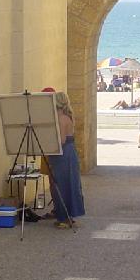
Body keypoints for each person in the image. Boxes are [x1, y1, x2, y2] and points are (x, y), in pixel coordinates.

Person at [46, 91, 85, 228]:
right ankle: (68, 215)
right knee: (68, 184)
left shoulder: (61, 119)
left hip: (63, 154)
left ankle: (64, 217)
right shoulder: (67, 117)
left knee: (61, 185)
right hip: (68, 153)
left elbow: (61, 140)